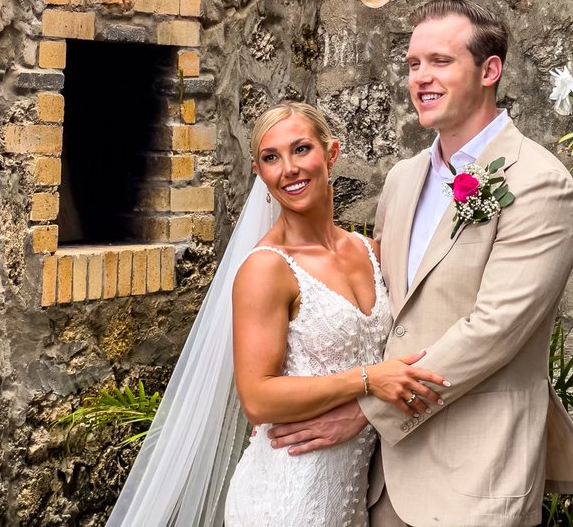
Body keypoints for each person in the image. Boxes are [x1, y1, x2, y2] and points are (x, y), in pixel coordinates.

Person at [267, 0, 573, 527]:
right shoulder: (402, 179)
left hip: (476, 475)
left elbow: (493, 331)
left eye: (440, 62)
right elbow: (386, 310)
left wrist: (361, 411)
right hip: (382, 480)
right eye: (413, 64)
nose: (421, 78)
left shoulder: (539, 183)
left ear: (489, 70)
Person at [106, 102, 447, 527]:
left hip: (352, 496)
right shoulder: (266, 269)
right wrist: (368, 380)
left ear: (332, 152)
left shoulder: (370, 251)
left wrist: (367, 406)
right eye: (271, 158)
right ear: (259, 173)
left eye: (301, 149)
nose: (288, 168)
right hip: (286, 500)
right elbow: (257, 398)